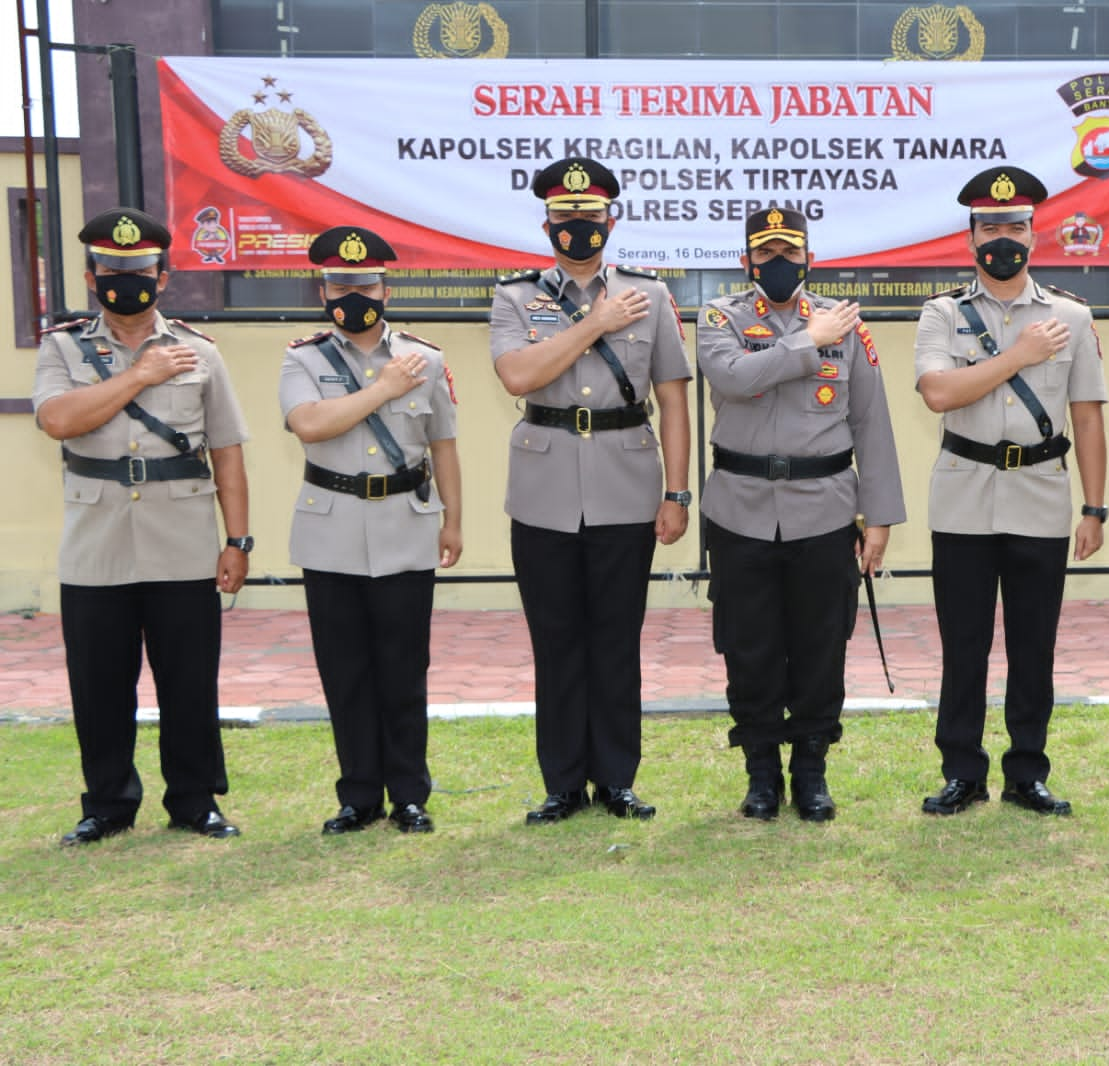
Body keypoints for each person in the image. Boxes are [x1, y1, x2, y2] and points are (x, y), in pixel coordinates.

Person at [33, 207, 251, 845]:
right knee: (99, 684)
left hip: (182, 538)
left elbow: (228, 451)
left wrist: (237, 540)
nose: (125, 281)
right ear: (90, 275)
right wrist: (139, 375)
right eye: (112, 271)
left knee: (189, 679)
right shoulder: (62, 347)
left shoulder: (200, 351)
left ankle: (194, 801)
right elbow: (57, 420)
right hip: (96, 542)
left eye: (140, 271)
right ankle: (107, 804)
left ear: (163, 276)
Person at [489, 157, 692, 824]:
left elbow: (672, 398)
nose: (578, 226)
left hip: (626, 483)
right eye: (565, 216)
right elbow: (518, 377)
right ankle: (563, 783)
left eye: (591, 215)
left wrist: (678, 492)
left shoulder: (651, 295)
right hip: (544, 487)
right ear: (546, 221)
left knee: (615, 636)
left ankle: (617, 778)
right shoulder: (516, 298)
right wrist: (595, 325)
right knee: (556, 638)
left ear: (613, 219)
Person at [696, 207, 906, 821]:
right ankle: (762, 774)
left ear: (810, 257)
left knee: (820, 647)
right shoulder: (721, 318)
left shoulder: (846, 325)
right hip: (740, 510)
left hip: (825, 511)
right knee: (749, 646)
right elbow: (732, 378)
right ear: (747, 262)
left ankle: (811, 770)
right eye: (766, 254)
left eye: (790, 252)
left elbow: (872, 424)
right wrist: (807, 342)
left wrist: (881, 516)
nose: (779, 264)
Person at [914, 166, 1109, 818]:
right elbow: (939, 392)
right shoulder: (943, 313)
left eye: (1016, 225)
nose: (1005, 237)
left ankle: (1028, 772)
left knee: (1034, 646)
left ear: (1035, 232)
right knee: (963, 646)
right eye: (991, 226)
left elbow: (1088, 415)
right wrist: (1019, 355)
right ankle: (962, 772)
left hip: (1041, 497)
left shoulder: (1072, 316)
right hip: (963, 498)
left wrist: (1095, 506)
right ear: (970, 238)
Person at [279, 225, 464, 836]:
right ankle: (358, 796)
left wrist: (453, 520)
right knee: (346, 672)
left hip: (405, 528)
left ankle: (410, 794)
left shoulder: (426, 358)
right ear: (321, 288)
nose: (352, 293)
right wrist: (383, 389)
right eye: (339, 283)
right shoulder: (302, 358)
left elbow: (444, 446)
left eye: (364, 283)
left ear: (386, 286)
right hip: (329, 533)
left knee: (404, 670)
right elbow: (309, 424)